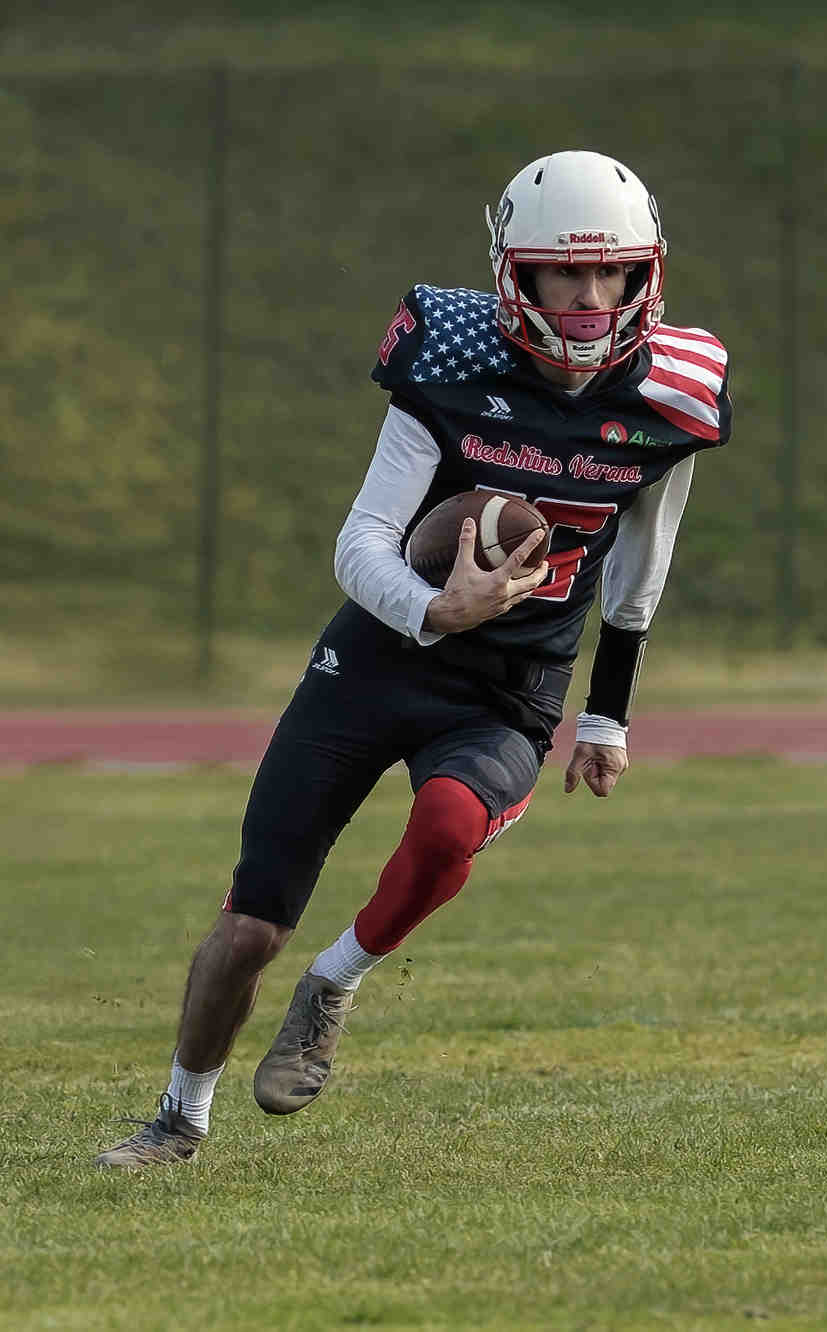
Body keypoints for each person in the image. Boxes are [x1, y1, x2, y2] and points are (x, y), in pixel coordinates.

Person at [94, 151, 732, 1168]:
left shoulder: (670, 397)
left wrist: (606, 720)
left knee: (445, 825)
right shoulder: (449, 359)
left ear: (645, 272)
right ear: (511, 277)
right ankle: (179, 1115)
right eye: (562, 273)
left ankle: (335, 981)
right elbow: (359, 545)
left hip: (511, 689)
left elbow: (639, 574)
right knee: (252, 921)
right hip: (380, 659)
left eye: (610, 270)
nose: (588, 295)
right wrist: (439, 606)